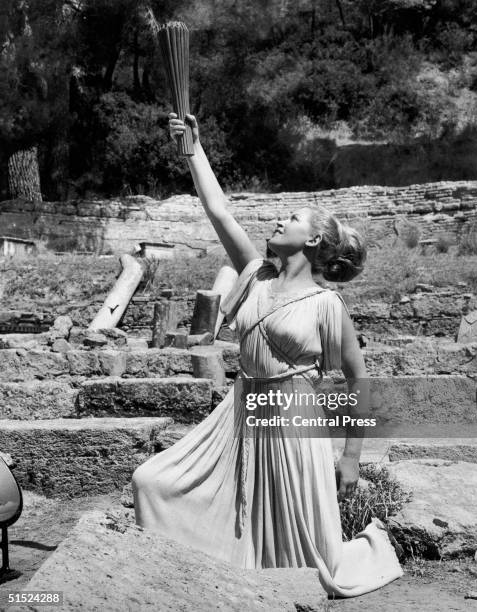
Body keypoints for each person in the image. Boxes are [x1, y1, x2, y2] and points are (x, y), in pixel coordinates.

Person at [131, 113, 403, 598]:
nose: (279, 220)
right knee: (151, 480)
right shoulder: (254, 273)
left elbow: (358, 380)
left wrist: (352, 458)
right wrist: (194, 147)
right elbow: (219, 211)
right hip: (237, 413)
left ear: (314, 241)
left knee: (304, 561)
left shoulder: (327, 305)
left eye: (293, 218)